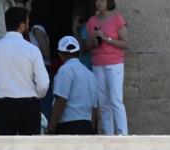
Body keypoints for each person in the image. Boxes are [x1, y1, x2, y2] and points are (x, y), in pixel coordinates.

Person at [0, 5, 47, 135]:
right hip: (29, 107)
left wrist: (1, 85)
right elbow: (43, 84)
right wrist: (35, 94)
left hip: (4, 107)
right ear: (22, 26)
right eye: (27, 23)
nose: (28, 26)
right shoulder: (32, 50)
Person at [82, 0, 124, 133]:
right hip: (97, 63)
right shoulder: (92, 21)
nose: (99, 3)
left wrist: (105, 38)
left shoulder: (117, 18)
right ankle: (109, 137)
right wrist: (93, 42)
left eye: (102, 0)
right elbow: (87, 47)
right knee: (103, 104)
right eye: (96, 0)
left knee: (116, 101)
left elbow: (125, 43)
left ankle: (124, 135)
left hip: (114, 63)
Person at [49, 34, 97, 133]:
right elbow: (94, 108)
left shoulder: (65, 70)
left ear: (61, 54)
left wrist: (51, 128)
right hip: (87, 126)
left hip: (68, 126)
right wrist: (92, 130)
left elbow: (61, 100)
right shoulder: (90, 75)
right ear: (78, 53)